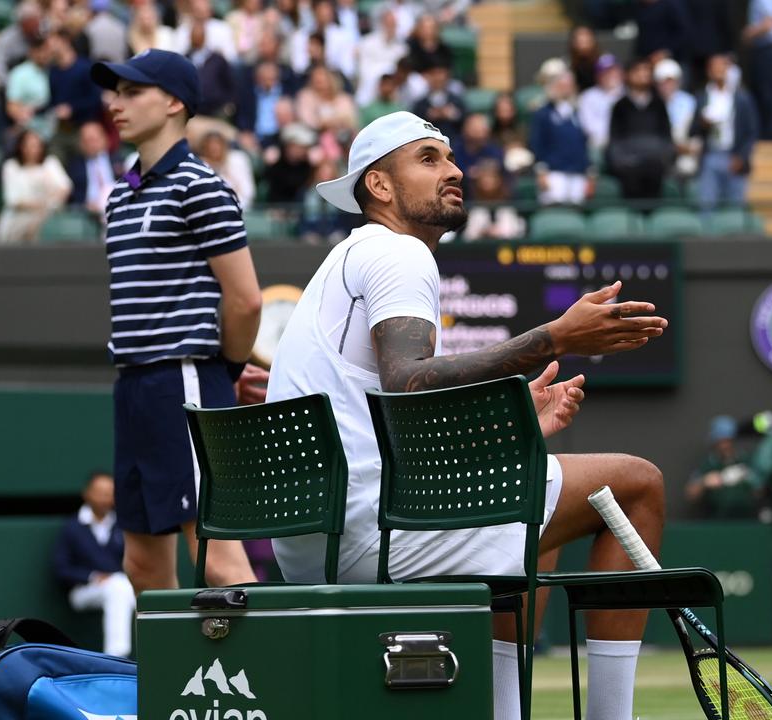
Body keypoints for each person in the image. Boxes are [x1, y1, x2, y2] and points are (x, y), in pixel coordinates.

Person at [268, 110, 670, 720]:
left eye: (451, 158)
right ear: (379, 186)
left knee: (537, 517)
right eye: (428, 160)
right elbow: (406, 385)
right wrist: (556, 337)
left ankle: (505, 713)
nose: (454, 171)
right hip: (365, 533)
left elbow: (390, 419)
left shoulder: (347, 260)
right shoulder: (398, 255)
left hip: (310, 539)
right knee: (638, 483)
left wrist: (509, 426)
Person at [90, 49, 262, 594]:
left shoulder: (202, 186)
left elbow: (246, 300)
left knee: (216, 558)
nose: (115, 104)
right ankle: (166, 682)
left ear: (172, 102)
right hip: (134, 386)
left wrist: (226, 371)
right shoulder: (119, 195)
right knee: (141, 565)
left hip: (185, 380)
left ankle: (266, 680)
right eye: (115, 92)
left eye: (131, 92)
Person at [51, 471, 136, 658]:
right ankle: (117, 656)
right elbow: (62, 569)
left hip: (121, 587)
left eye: (110, 493)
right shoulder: (72, 527)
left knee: (122, 587)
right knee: (119, 587)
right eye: (101, 492)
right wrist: (93, 577)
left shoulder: (122, 525)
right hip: (83, 591)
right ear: (87, 494)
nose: (106, 498)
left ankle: (124, 656)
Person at [691, 53, 758, 213]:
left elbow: (751, 131)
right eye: (716, 67)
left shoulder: (742, 98)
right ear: (709, 71)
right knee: (707, 206)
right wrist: (703, 124)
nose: (720, 70)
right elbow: (693, 130)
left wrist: (741, 156)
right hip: (710, 156)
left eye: (723, 66)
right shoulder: (701, 97)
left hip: (734, 157)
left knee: (735, 207)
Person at [607, 56, 672, 200]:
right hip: (628, 167)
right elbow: (615, 140)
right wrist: (622, 163)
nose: (643, 74)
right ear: (628, 75)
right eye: (638, 70)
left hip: (655, 166)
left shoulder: (658, 105)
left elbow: (667, 137)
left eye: (647, 71)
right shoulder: (620, 106)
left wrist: (664, 159)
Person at [0, 129, 73, 244]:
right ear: (21, 147)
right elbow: (13, 200)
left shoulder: (50, 163)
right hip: (18, 220)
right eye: (29, 145)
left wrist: (48, 207)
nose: (33, 149)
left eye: (37, 145)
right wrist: (41, 205)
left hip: (49, 217)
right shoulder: (11, 166)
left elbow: (65, 187)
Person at [530, 63, 592, 205]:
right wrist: (541, 171)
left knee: (576, 211)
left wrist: (589, 174)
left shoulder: (578, 113)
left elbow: (584, 144)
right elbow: (536, 143)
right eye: (561, 84)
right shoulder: (543, 113)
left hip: (578, 173)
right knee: (554, 210)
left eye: (569, 85)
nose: (565, 88)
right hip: (553, 173)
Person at [685, 416, 759, 519]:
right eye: (721, 441)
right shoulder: (709, 464)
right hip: (717, 522)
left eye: (728, 440)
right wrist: (704, 482)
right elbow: (691, 494)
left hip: (746, 521)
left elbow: (761, 491)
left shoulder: (746, 460)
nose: (725, 445)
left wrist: (750, 479)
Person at [741, 0, 772, 140]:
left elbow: (770, 23)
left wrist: (749, 33)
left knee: (767, 91)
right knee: (769, 90)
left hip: (767, 48)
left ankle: (771, 134)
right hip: (769, 48)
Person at [67, 120, 121, 219]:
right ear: (81, 144)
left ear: (104, 139)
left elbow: (135, 183)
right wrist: (84, 206)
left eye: (94, 139)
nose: (92, 145)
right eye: (87, 141)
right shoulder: (74, 166)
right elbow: (71, 196)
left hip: (117, 208)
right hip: (87, 214)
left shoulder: (119, 159)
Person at [577, 53, 622, 152]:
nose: (610, 75)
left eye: (613, 70)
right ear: (598, 76)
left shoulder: (628, 93)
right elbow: (589, 126)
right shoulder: (588, 97)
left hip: (626, 143)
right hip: (601, 144)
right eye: (605, 72)